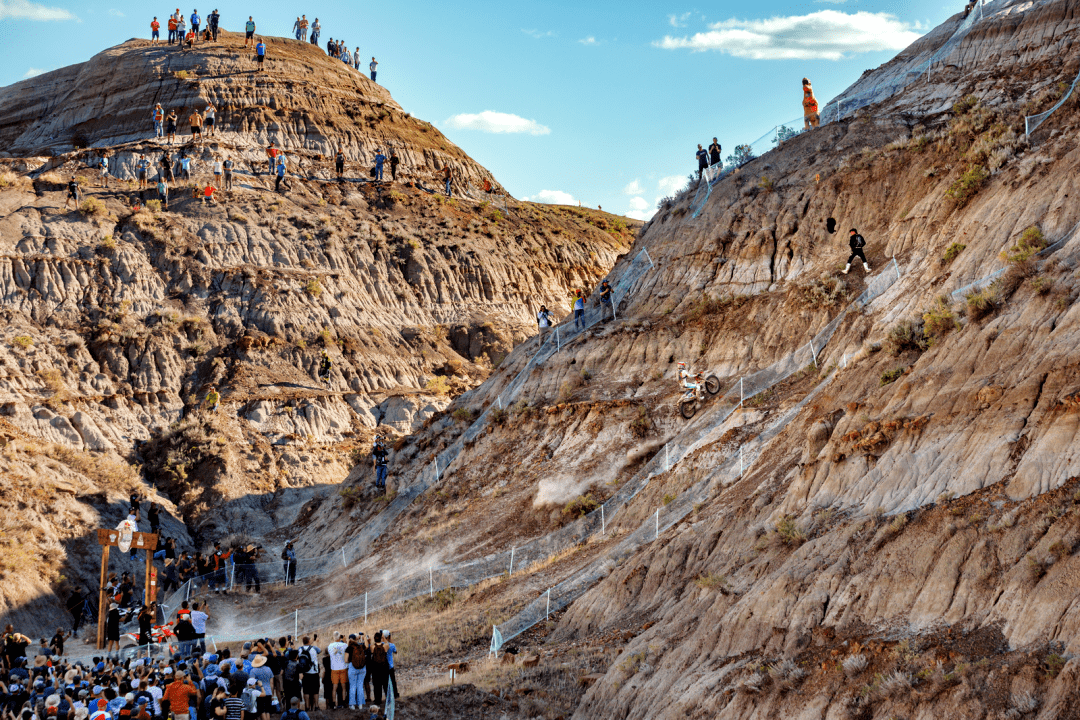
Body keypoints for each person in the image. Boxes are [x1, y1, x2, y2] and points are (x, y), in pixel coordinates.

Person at [345, 635, 368, 710]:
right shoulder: (360, 646)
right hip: (362, 668)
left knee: (352, 686)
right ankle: (360, 704)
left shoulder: (348, 648)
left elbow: (346, 660)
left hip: (353, 667)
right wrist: (364, 638)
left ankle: (352, 705)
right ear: (356, 639)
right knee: (360, 686)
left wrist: (352, 661)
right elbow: (367, 646)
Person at [296, 638, 320, 711]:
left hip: (305, 672)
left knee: (306, 690)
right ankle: (316, 706)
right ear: (309, 641)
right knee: (315, 690)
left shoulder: (300, 649)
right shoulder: (314, 648)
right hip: (314, 672)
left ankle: (307, 707)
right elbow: (320, 651)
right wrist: (315, 643)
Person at [326, 634, 348, 711]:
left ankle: (333, 703)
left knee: (334, 687)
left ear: (333, 637)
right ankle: (344, 702)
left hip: (334, 668)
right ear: (340, 637)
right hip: (343, 667)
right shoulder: (345, 645)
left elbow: (330, 654)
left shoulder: (330, 646)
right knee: (343, 686)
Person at [367, 632, 388, 706]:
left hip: (375, 668)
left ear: (374, 639)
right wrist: (384, 637)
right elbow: (387, 644)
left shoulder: (372, 646)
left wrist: (369, 641)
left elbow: (370, 649)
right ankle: (388, 699)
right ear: (381, 638)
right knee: (385, 684)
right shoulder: (385, 646)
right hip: (384, 667)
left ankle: (378, 700)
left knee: (376, 685)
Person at [383, 632, 398, 702]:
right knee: (393, 681)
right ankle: (395, 694)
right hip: (390, 666)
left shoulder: (381, 645)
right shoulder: (392, 645)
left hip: (383, 666)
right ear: (388, 637)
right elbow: (396, 651)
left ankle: (388, 696)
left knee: (385, 682)